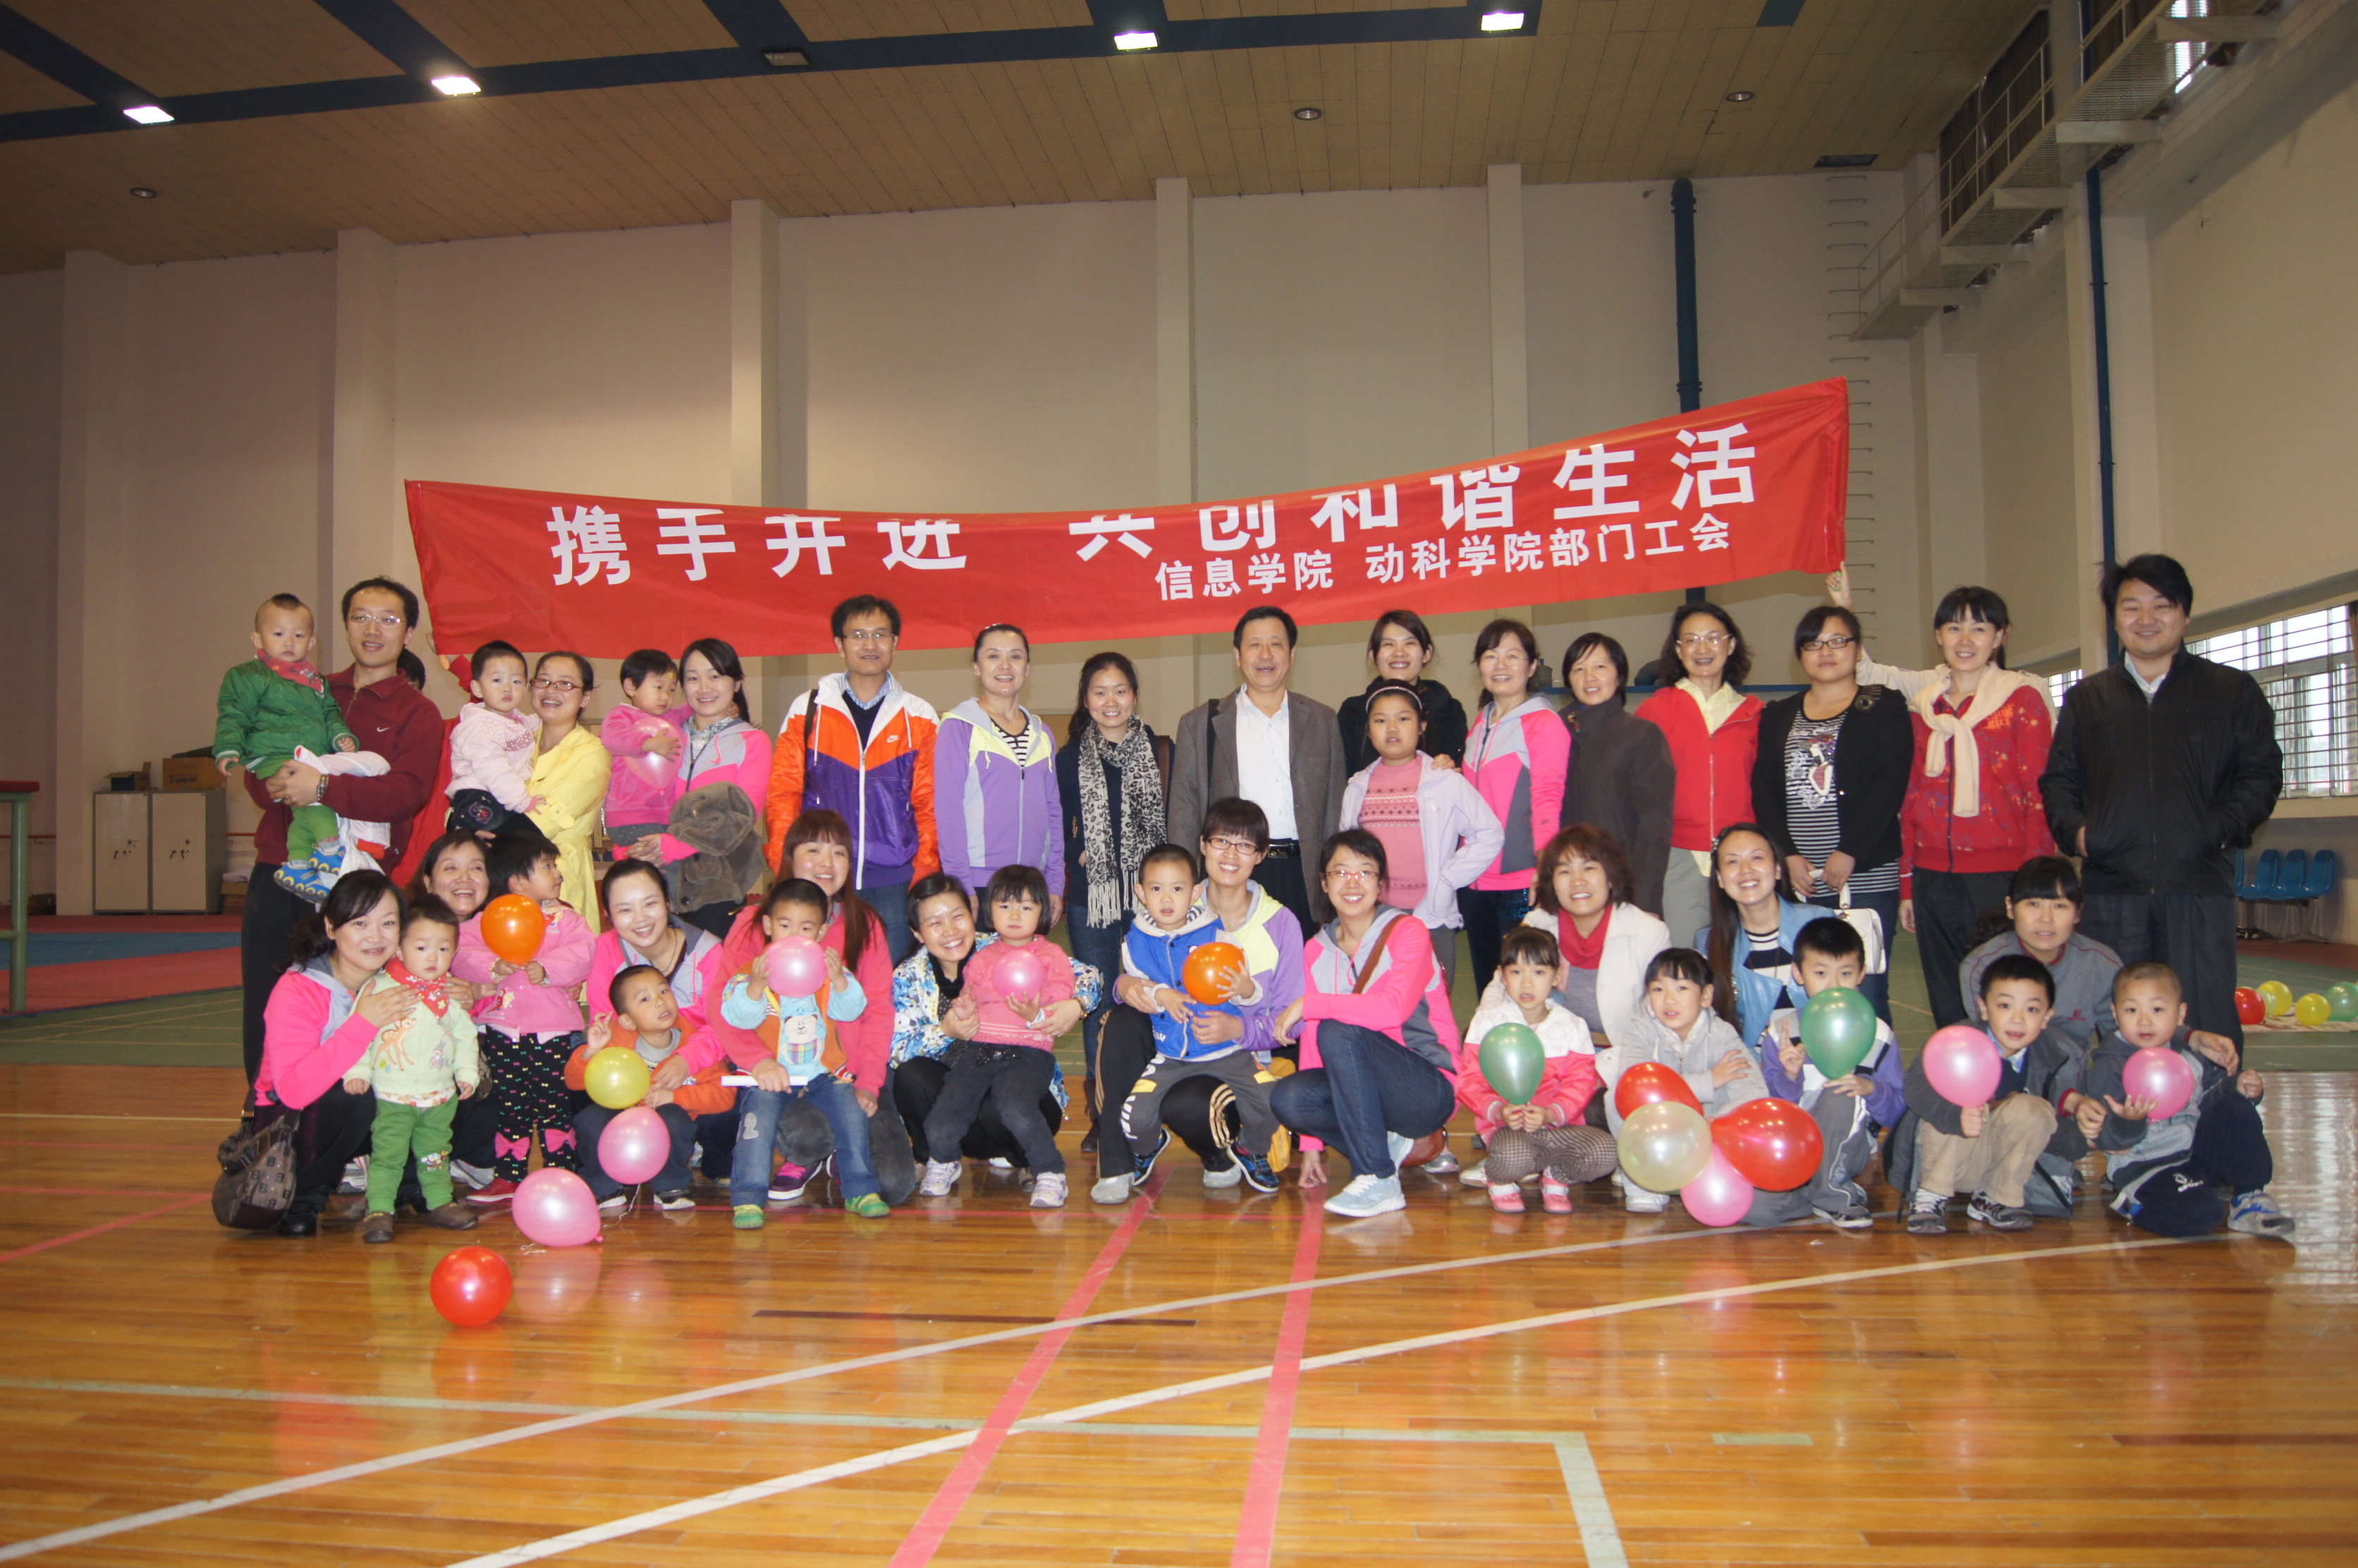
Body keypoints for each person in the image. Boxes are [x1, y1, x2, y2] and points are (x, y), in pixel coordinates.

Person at [2041, 554, 2283, 1042]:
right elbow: (2060, 780)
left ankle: (2212, 1097)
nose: (2146, 619)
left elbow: (2260, 775)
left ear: (2185, 615)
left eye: (2162, 605)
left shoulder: (2230, 691)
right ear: (2114, 620)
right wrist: (2082, 836)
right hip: (2113, 890)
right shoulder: (2088, 698)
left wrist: (2214, 832)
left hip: (2198, 887)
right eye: (2131, 607)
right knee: (2119, 1028)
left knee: (2206, 1020)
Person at [238, 578, 443, 1089]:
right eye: (360, 617)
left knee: (352, 1001)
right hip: (281, 867)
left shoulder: (417, 712)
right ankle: (264, 1113)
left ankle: (346, 1118)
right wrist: (277, 783)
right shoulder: (302, 689)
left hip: (357, 885)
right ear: (346, 625)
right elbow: (258, 765)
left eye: (388, 620)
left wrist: (323, 787)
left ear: (408, 633)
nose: (373, 629)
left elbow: (406, 793)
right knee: (267, 994)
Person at [1094, 798, 1304, 1201]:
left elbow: (1291, 1023)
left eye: (1245, 845)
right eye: (1221, 841)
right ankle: (1122, 1158)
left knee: (1191, 1106)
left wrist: (1238, 1026)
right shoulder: (1171, 896)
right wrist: (1126, 986)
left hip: (1237, 1053)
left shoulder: (1280, 923)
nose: (1231, 854)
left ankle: (1227, 1153)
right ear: (1203, 845)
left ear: (1261, 855)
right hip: (1175, 1046)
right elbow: (1137, 966)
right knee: (1118, 1023)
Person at [1873, 587, 2059, 1029]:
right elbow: (1911, 798)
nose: (1966, 639)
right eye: (1954, 627)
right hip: (1934, 878)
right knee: (1947, 999)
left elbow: (2040, 795)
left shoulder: (2022, 701)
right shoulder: (1923, 710)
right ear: (1939, 636)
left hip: (2004, 877)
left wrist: (2034, 886)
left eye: (1979, 628)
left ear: (2000, 637)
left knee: (2007, 1000)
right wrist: (1908, 884)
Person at [1269, 831, 1462, 1219]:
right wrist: (1311, 1145)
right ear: (1325, 883)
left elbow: (1392, 1010)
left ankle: (1377, 1176)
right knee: (1290, 1099)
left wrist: (1311, 1004)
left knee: (1337, 1028)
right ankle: (1384, 1147)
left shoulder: (1408, 932)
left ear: (1380, 883)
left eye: (1365, 872)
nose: (1352, 883)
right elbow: (1313, 1043)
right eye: (1340, 872)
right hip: (1365, 1089)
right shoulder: (1316, 949)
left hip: (1426, 1086)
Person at [1751, 605, 1912, 1023]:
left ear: (1857, 649)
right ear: (1800, 654)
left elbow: (1891, 783)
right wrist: (1787, 855)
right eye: (1814, 644)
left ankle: (1873, 1068)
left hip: (1865, 876)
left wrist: (1850, 851)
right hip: (1799, 880)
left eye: (1838, 641)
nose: (1826, 652)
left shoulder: (1884, 706)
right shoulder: (1778, 714)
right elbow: (1764, 790)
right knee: (1801, 990)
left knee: (1864, 991)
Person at [766, 594, 940, 964]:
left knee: (892, 982)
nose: (869, 644)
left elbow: (929, 802)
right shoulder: (808, 709)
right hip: (822, 875)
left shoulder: (920, 716)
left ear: (895, 642)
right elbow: (784, 792)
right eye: (858, 635)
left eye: (880, 634)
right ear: (839, 644)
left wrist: (924, 869)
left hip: (894, 881)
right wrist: (784, 863)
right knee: (820, 979)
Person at [704, 878, 888, 1225]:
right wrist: (756, 988)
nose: (794, 936)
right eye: (785, 925)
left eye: (806, 928)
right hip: (771, 1075)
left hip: (822, 1072)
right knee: (756, 1123)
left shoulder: (830, 971)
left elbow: (852, 1010)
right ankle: (748, 1197)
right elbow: (736, 1016)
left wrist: (841, 981)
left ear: (821, 932)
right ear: (768, 925)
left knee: (851, 1112)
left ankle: (860, 1188)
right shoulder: (750, 973)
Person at [889, 874, 1097, 1176]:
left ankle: (1024, 1158)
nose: (950, 931)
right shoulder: (908, 975)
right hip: (959, 1098)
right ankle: (936, 1158)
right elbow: (897, 1052)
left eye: (957, 917)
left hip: (1016, 1093)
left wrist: (1077, 1005)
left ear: (973, 914)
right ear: (918, 933)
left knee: (1003, 1100)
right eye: (935, 923)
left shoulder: (1004, 946)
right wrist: (945, 1032)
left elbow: (1089, 975)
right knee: (911, 1075)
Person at [1166, 606, 1346, 934]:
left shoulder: (1323, 720)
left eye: (1276, 644)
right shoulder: (1199, 724)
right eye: (1254, 645)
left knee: (1301, 963)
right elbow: (1184, 813)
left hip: (1303, 875)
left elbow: (1335, 809)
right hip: (1231, 872)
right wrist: (1182, 886)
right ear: (1237, 655)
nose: (1265, 654)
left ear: (1292, 653)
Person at [2081, 961, 2295, 1238]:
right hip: (2147, 1167)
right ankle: (2133, 1204)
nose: (2144, 1021)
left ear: (2181, 1013)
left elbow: (2211, 1099)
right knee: (2204, 1215)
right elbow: (2106, 1140)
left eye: (2157, 1010)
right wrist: (2129, 1121)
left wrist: (2239, 1088)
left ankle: (2249, 1197)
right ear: (2115, 1014)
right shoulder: (2110, 1067)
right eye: (2131, 1010)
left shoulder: (2188, 1055)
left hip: (2194, 1155)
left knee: (2234, 1105)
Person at [1057, 650, 1174, 1151]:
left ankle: (1149, 1108)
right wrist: (1078, 853)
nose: (1111, 700)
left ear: (1135, 697)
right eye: (1100, 691)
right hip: (1094, 900)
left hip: (1153, 901)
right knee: (1100, 1003)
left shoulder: (1160, 750)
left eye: (1120, 690)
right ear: (1086, 700)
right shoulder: (1069, 758)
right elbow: (1057, 823)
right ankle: (1104, 1114)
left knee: (1153, 998)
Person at [252, 871, 412, 1236]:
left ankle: (408, 1186)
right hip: (291, 1123)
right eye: (360, 923)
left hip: (367, 1108)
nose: (376, 936)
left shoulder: (398, 981)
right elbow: (293, 1091)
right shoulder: (298, 990)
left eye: (388, 923)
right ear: (331, 927)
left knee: (445, 1086)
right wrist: (363, 1022)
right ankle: (303, 1199)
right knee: (350, 1099)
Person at [917, 865, 1076, 1207]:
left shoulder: (1052, 956)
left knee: (1015, 1107)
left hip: (1028, 1053)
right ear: (989, 909)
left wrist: (1036, 1015)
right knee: (945, 1112)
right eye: (1005, 906)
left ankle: (1050, 1172)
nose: (1015, 915)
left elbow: (1062, 1001)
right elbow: (970, 997)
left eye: (1026, 906)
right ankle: (943, 1161)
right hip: (980, 1051)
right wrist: (964, 1010)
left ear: (1043, 912)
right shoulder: (983, 957)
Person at [455, 832, 594, 1202]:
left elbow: (583, 953)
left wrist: (547, 969)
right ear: (517, 880)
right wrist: (492, 965)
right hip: (504, 1030)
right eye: (547, 867)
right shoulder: (489, 918)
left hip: (552, 1030)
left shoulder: (565, 919)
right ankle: (508, 1175)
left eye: (555, 866)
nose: (558, 874)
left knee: (554, 1106)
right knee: (510, 1106)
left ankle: (561, 1171)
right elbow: (461, 950)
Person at [1338, 680, 1502, 993]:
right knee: (1377, 1004)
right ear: (1369, 730)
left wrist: (1449, 878)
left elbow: (1489, 833)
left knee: (1433, 1009)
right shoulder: (1357, 788)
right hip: (1373, 919)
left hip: (1431, 918)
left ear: (1422, 725)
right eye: (1380, 720)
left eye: (1403, 718)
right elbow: (1347, 853)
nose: (1392, 728)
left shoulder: (1445, 781)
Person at [1895, 954, 2076, 1236]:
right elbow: (1915, 1089)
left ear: (2046, 1018)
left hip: (1992, 1162)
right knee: (1959, 1100)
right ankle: (1930, 1196)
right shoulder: (1957, 1044)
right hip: (1942, 1159)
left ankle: (1996, 1197)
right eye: (2005, 1006)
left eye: (2031, 1009)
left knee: (2035, 1109)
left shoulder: (2053, 1055)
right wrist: (1955, 1116)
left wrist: (2087, 1125)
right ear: (1984, 1008)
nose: (2017, 1019)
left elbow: (2063, 1137)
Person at [335, 895, 481, 1242]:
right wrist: (357, 1073)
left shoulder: (448, 995)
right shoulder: (381, 988)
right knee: (388, 1156)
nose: (433, 957)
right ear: (400, 949)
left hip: (439, 1097)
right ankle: (379, 1210)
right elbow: (360, 1033)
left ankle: (440, 1202)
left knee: (435, 1154)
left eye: (444, 949)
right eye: (421, 947)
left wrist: (467, 1073)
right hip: (392, 1096)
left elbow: (466, 1037)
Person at [587, 859, 733, 1187]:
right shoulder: (606, 949)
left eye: (650, 903)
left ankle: (709, 1156)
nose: (640, 919)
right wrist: (641, 1081)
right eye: (625, 910)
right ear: (609, 915)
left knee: (726, 1109)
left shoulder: (708, 952)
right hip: (639, 1068)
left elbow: (723, 1027)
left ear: (668, 903)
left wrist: (685, 1061)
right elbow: (607, 1025)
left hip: (700, 1069)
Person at [1753, 917, 1905, 1230]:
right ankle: (1815, 1194)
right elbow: (1770, 1110)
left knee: (1841, 1091)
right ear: (1799, 974)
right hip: (1795, 1148)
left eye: (1845, 973)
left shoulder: (1879, 1035)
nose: (1834, 986)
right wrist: (1789, 1076)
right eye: (1821, 973)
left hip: (1848, 1149)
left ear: (1861, 974)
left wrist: (1871, 1089)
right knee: (1756, 1210)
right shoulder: (1782, 1033)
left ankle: (1834, 1192)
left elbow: (1895, 1112)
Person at [1635, 601, 1763, 953]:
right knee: (1686, 960)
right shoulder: (1655, 711)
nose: (1702, 648)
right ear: (1679, 650)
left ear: (1731, 645)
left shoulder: (1754, 713)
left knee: (1743, 957)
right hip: (1679, 857)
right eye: (1691, 640)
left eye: (1713, 638)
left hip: (1743, 855)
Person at [214, 593, 360, 900]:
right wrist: (228, 747)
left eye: (299, 636)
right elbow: (234, 713)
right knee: (316, 798)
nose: (289, 643)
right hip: (272, 753)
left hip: (308, 756)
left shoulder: (314, 680)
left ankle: (297, 863)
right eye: (278, 634)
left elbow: (330, 713)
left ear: (311, 642)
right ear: (258, 639)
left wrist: (340, 737)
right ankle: (331, 849)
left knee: (303, 808)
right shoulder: (248, 676)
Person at [1460, 927, 1615, 1214]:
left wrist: (1551, 1114)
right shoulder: (1486, 1022)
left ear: (1557, 977)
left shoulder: (1572, 1026)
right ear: (1502, 976)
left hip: (1562, 1129)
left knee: (1605, 1152)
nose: (1527, 983)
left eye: (1539, 972)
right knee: (1511, 1158)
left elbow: (1580, 1083)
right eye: (1516, 972)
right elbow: (1470, 1081)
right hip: (1509, 1130)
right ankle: (1499, 1179)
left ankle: (1557, 1178)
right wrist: (1500, 1111)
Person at [628, 637, 774, 938]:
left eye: (715, 676)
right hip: (658, 882)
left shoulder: (753, 743)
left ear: (736, 683)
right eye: (693, 678)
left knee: (708, 966)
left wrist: (671, 845)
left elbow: (739, 819)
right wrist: (635, 847)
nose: (704, 688)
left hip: (716, 889)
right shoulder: (664, 736)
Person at [1603, 947, 1766, 1215]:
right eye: (1658, 989)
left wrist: (1718, 1121)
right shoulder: (1641, 1028)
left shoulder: (1722, 1035)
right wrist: (1709, 1081)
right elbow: (1637, 1085)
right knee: (1615, 1096)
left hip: (1706, 1136)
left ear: (1706, 996)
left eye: (1681, 989)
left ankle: (1695, 1179)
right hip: (1657, 1134)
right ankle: (1643, 1184)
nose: (1669, 1000)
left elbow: (1754, 1092)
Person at [1458, 619, 1572, 993]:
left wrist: (1545, 866)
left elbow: (1548, 797)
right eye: (1491, 656)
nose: (1501, 665)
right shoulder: (1481, 722)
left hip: (1522, 882)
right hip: (1476, 882)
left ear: (1533, 666)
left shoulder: (1544, 723)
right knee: (1488, 989)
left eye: (1512, 656)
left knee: (1526, 992)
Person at [570, 964, 733, 1213]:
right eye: (645, 999)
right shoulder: (614, 1040)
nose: (660, 1002)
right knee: (590, 1119)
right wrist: (591, 1051)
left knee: (674, 1116)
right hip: (622, 1119)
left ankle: (671, 1185)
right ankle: (603, 1187)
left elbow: (723, 1094)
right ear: (627, 1020)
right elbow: (574, 1082)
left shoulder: (694, 1043)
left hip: (666, 1120)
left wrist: (676, 1097)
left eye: (664, 992)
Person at [935, 624, 1063, 924]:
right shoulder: (958, 728)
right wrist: (961, 884)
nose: (1005, 665)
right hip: (980, 885)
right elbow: (948, 812)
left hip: (1031, 884)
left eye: (1015, 656)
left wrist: (1055, 881)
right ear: (976, 667)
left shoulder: (1042, 734)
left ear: (1027, 668)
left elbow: (1053, 811)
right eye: (993, 656)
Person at [1513, 825, 1671, 1053]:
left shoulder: (1649, 933)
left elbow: (1661, 1021)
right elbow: (1502, 991)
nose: (1577, 881)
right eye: (1565, 871)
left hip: (1623, 1057)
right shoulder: (1536, 926)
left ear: (1610, 878)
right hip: (1550, 1052)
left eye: (1589, 868)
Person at [1559, 632, 1673, 917]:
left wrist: (1645, 900)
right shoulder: (1553, 732)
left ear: (1619, 675)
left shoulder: (1642, 735)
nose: (1589, 677)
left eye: (1600, 667)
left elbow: (1654, 826)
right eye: (1579, 669)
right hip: (1564, 885)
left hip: (1622, 885)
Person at [1960, 857, 2122, 1046]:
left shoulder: (2102, 964)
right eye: (2033, 904)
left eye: (2060, 906)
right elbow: (1989, 1044)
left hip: (2072, 1065)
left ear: (2078, 913)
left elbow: (2121, 1041)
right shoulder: (1980, 967)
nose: (2046, 918)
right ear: (2011, 908)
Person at [1702, 822, 1819, 1048]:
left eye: (1757, 858)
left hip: (1818, 1060)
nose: (1746, 869)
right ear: (1720, 879)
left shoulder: (1819, 924)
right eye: (1732, 862)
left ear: (1778, 869)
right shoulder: (1708, 943)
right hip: (1750, 1065)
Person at [521, 651, 613, 929]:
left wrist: (487, 829)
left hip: (560, 875)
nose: (551, 691)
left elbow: (543, 821)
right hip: (505, 874)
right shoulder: (515, 742)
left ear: (586, 698)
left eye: (565, 684)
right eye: (543, 681)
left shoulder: (594, 754)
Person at [1335, 610, 1469, 774]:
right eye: (1388, 644)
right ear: (1373, 655)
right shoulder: (1353, 712)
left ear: (1427, 653)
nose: (1399, 653)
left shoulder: (1449, 710)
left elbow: (1462, 770)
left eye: (1409, 643)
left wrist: (1452, 769)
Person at [446, 639, 542, 838]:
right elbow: (494, 768)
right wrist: (520, 800)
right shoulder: (480, 727)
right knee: (532, 842)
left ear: (525, 689)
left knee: (528, 845)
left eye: (516, 682)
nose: (507, 688)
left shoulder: (515, 720)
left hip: (497, 797)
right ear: (477, 688)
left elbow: (534, 725)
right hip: (478, 797)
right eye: (497, 680)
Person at [599, 648, 685, 855]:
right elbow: (612, 738)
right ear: (631, 686)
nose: (665, 696)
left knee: (667, 864)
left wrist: (724, 707)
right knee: (664, 865)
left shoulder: (671, 718)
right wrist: (647, 744)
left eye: (672, 689)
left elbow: (691, 708)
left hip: (667, 816)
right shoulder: (622, 715)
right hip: (630, 815)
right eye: (658, 687)